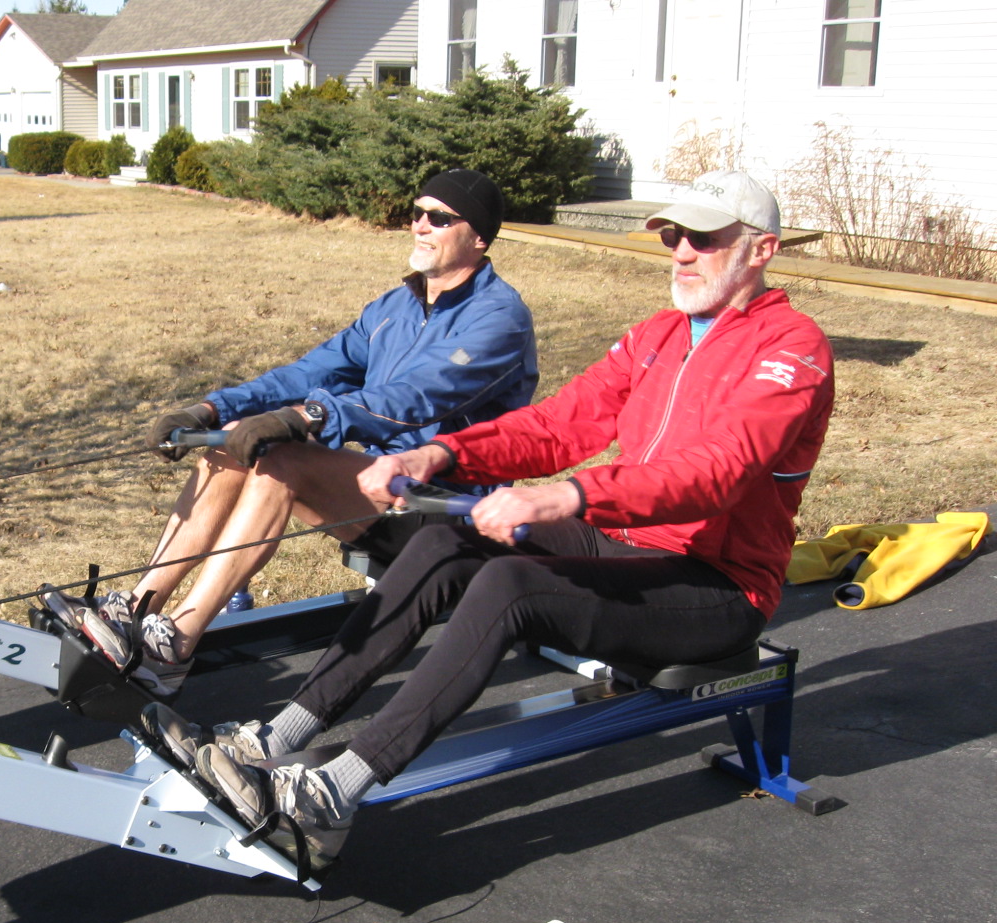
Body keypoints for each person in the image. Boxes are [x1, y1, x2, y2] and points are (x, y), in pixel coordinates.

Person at [154, 168, 835, 869]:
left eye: (703, 237)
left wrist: (566, 496)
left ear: (761, 251)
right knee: (452, 536)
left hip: (716, 584)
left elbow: (717, 474)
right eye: (673, 237)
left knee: (511, 585)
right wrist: (441, 452)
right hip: (622, 543)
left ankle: (331, 797)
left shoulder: (792, 350)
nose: (682, 252)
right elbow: (555, 425)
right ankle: (279, 737)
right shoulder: (658, 336)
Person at [47, 169, 538, 695]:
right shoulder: (394, 309)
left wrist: (310, 418)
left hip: (446, 509)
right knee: (236, 441)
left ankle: (175, 647)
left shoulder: (498, 320)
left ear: (479, 237)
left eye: (438, 218)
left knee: (284, 461)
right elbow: (311, 372)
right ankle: (136, 609)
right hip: (381, 490)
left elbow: (417, 396)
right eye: (416, 213)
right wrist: (213, 408)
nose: (420, 225)